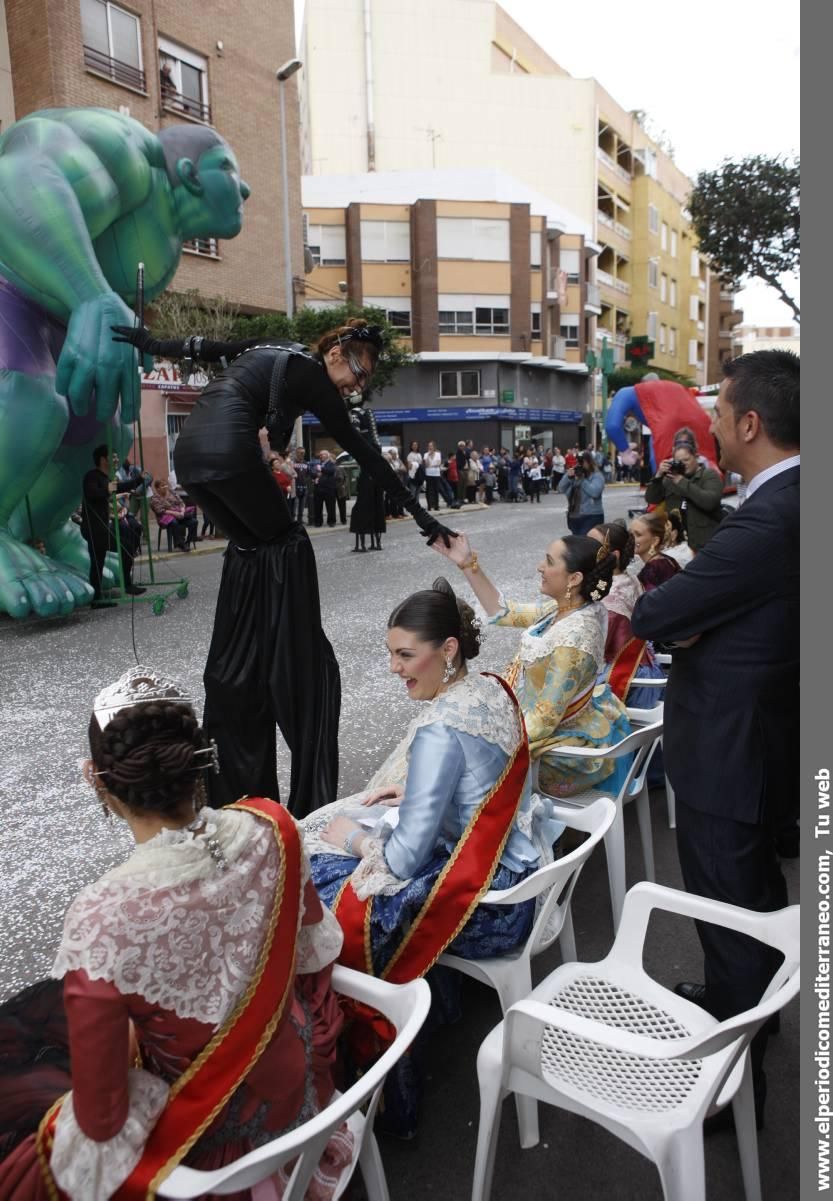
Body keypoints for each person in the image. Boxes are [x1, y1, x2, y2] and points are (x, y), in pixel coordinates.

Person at [0, 667, 350, 1200]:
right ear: (200, 762)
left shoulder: (102, 917)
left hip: (215, 1142)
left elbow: (101, 1121)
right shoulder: (272, 824)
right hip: (298, 1077)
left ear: (100, 782)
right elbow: (309, 953)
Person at [114, 318, 454, 817]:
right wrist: (424, 516)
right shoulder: (310, 373)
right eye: (361, 373)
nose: (358, 387)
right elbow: (362, 451)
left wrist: (148, 342)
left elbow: (203, 346)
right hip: (228, 455)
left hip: (189, 461)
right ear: (337, 352)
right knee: (287, 538)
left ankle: (251, 644)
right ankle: (287, 652)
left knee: (252, 545)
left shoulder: (266, 349)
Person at [301, 580, 561, 1132]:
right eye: (391, 654)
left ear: (447, 650)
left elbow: (399, 858)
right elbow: (482, 783)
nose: (394, 668)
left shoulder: (441, 727)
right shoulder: (489, 688)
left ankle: (378, 1079)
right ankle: (429, 1009)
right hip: (525, 869)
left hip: (495, 903)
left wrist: (350, 837)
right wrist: (420, 790)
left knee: (323, 895)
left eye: (404, 655)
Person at [631, 349, 800, 1128]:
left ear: (750, 423)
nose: (708, 426)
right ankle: (739, 1003)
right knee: (746, 904)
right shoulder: (782, 501)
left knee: (734, 913)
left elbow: (654, 617)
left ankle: (734, 1086)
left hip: (730, 754)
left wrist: (689, 608)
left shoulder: (774, 511)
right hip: (754, 741)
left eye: (718, 412)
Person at [433, 531, 632, 799]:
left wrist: (482, 736)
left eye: (549, 562)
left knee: (458, 763)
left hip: (561, 750)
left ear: (574, 579)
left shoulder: (574, 637)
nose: (540, 567)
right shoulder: (568, 608)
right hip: (545, 725)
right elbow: (504, 612)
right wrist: (467, 564)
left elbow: (543, 720)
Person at [588, 522, 664, 708]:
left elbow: (594, 651)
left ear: (614, 556)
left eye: (592, 546)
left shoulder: (611, 597)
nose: (583, 549)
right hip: (643, 664)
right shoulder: (626, 578)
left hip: (626, 676)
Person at [81, 444, 145, 604]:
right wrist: (107, 490)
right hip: (94, 528)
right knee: (124, 549)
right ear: (103, 459)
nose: (117, 459)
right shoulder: (92, 476)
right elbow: (91, 494)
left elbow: (121, 487)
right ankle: (125, 586)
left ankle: (97, 598)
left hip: (102, 527)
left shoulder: (106, 478)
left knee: (101, 561)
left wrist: (139, 479)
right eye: (113, 456)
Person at [644, 427, 724, 553]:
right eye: (678, 461)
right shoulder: (669, 479)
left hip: (703, 547)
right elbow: (651, 498)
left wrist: (681, 481)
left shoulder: (709, 475)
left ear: (696, 456)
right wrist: (658, 476)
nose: (683, 464)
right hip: (676, 546)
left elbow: (710, 502)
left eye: (686, 460)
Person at [630, 511, 681, 591]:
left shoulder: (653, 570)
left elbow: (652, 602)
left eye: (638, 535)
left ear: (654, 541)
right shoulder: (666, 559)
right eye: (630, 534)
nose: (630, 539)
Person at [557, 450, 605, 536]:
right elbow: (560, 488)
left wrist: (582, 480)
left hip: (591, 516)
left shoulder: (597, 476)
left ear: (589, 462)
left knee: (584, 543)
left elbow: (595, 492)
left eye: (582, 461)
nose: (580, 464)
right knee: (578, 544)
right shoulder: (575, 472)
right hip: (574, 516)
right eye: (578, 461)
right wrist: (568, 477)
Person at [149, 478, 198, 551]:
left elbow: (181, 503)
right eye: (162, 486)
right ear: (157, 488)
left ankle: (187, 542)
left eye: (166, 485)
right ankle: (180, 544)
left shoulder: (172, 492)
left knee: (194, 522)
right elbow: (160, 511)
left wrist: (182, 511)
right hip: (165, 519)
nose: (165, 487)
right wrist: (175, 513)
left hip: (179, 514)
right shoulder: (154, 498)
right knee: (174, 522)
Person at [313, 449, 338, 528]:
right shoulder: (318, 464)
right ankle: (318, 522)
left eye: (322, 454)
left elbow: (331, 471)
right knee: (318, 507)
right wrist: (315, 477)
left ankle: (331, 521)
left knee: (330, 506)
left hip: (329, 489)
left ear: (327, 455)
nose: (321, 456)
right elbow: (313, 472)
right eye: (320, 455)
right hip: (318, 489)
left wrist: (322, 469)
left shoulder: (331, 463)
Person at [423, 440, 443, 511]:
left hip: (436, 474)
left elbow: (438, 463)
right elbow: (426, 464)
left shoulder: (438, 454)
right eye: (429, 446)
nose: (430, 447)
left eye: (431, 446)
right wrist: (429, 455)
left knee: (436, 490)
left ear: (434, 447)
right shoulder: (426, 454)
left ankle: (436, 505)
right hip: (428, 474)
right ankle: (429, 505)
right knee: (429, 490)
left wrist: (432, 465)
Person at [333, 455, 349, 525]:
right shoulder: (328, 468)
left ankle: (343, 520)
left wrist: (344, 485)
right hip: (332, 489)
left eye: (332, 459)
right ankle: (333, 520)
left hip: (341, 489)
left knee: (342, 506)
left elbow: (346, 477)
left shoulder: (340, 469)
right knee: (331, 506)